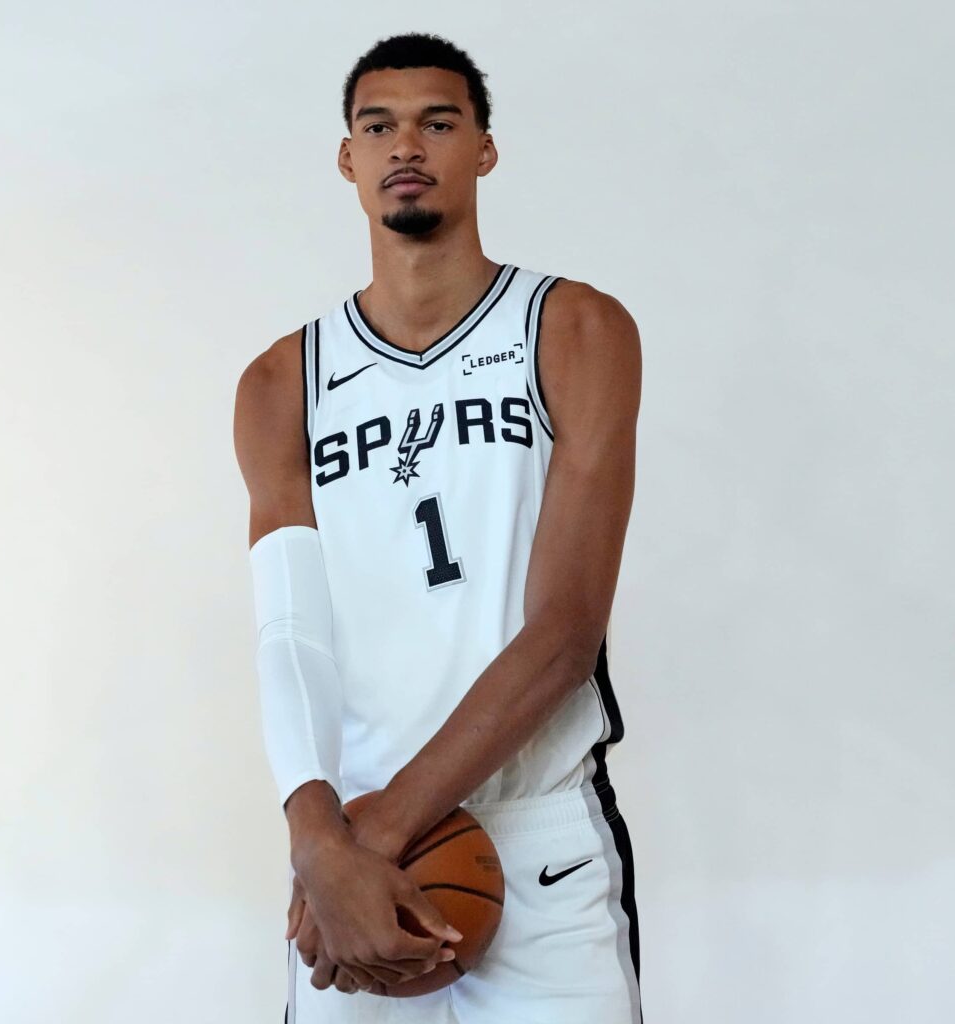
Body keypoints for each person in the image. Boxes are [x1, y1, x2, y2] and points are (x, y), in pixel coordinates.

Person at [233, 31, 643, 1023]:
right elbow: (290, 637)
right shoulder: (283, 382)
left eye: (438, 122)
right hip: (351, 849)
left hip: (531, 837)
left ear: (484, 149)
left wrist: (372, 834)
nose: (405, 145)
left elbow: (564, 634)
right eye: (378, 126)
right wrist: (316, 837)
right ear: (348, 157)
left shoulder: (574, 328)